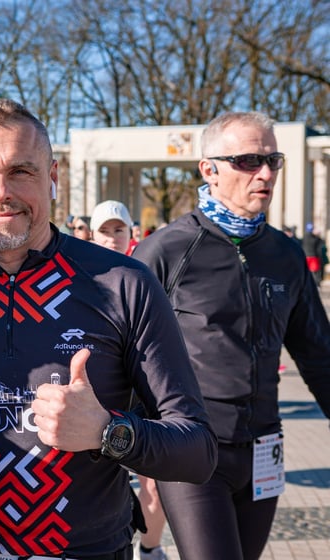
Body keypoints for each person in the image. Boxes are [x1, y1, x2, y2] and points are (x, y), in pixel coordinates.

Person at [0, 98, 216, 560]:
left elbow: (197, 450)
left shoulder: (123, 283)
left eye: (21, 171)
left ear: (52, 178)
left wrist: (108, 433)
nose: (0, 192)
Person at [134, 111, 330, 560]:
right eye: (246, 160)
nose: (264, 173)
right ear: (209, 169)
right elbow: (120, 351)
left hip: (265, 449)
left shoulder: (285, 253)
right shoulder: (165, 250)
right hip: (192, 449)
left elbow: (319, 355)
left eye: (272, 160)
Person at [89, 200, 170, 560]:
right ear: (91, 235)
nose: (111, 238)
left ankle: (149, 549)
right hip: (97, 400)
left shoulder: (145, 277)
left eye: (117, 230)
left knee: (154, 484)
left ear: (131, 234)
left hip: (142, 397)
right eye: (104, 231)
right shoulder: (77, 279)